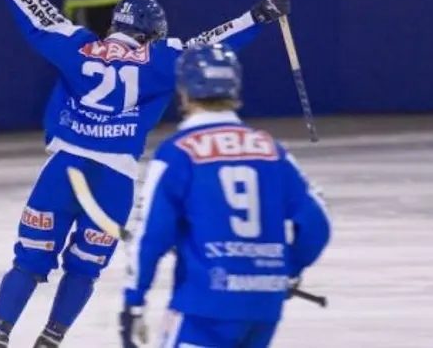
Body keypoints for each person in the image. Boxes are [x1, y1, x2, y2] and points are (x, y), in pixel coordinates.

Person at [0, 0, 291, 348]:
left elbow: (41, 19)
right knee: (83, 270)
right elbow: (211, 46)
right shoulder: (162, 60)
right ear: (151, 33)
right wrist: (259, 15)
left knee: (28, 261)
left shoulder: (77, 45)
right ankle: (50, 340)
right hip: (115, 180)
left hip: (63, 171)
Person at [120, 43, 331, 348]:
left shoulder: (177, 154)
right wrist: (287, 271)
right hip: (263, 307)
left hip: (204, 307)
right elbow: (317, 224)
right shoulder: (272, 151)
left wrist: (134, 303)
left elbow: (151, 237)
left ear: (184, 91)